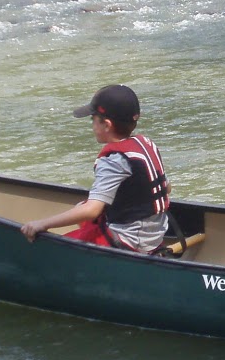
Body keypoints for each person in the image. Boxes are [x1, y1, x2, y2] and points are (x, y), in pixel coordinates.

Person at [20, 84, 170, 253]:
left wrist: (42, 224)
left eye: (93, 119)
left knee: (55, 247)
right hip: (154, 235)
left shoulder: (114, 160)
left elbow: (92, 210)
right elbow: (166, 187)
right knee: (80, 207)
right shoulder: (146, 144)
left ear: (106, 125)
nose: (92, 125)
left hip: (129, 241)